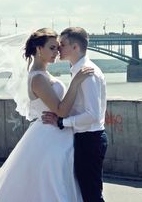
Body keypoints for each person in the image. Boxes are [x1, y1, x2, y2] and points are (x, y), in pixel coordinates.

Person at [0, 28, 93, 202]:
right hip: (49, 136)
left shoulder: (43, 74)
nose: (58, 51)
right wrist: (75, 83)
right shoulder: (38, 78)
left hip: (55, 133)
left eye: (58, 47)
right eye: (52, 48)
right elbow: (60, 110)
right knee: (53, 185)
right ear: (39, 49)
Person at [42, 27, 108, 202]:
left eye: (62, 45)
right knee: (87, 192)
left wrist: (63, 122)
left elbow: (92, 115)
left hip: (90, 139)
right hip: (86, 138)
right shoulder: (78, 71)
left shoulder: (88, 73)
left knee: (91, 194)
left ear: (75, 47)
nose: (58, 49)